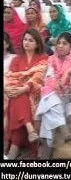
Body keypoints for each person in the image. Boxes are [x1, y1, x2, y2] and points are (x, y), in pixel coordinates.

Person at [35, 32, 71, 159]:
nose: (60, 46)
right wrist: (56, 83)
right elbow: (48, 77)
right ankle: (62, 127)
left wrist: (68, 72)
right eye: (58, 43)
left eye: (65, 43)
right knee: (51, 104)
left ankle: (44, 155)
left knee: (49, 109)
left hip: (65, 94)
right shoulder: (52, 58)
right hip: (52, 91)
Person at [4, 28, 48, 159]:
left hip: (36, 91)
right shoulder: (17, 59)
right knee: (16, 97)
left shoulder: (43, 58)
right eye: (25, 39)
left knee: (18, 97)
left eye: (30, 40)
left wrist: (25, 87)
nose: (26, 43)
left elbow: (38, 77)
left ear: (38, 44)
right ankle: (30, 130)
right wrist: (11, 89)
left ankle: (15, 147)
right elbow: (12, 77)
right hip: (18, 91)